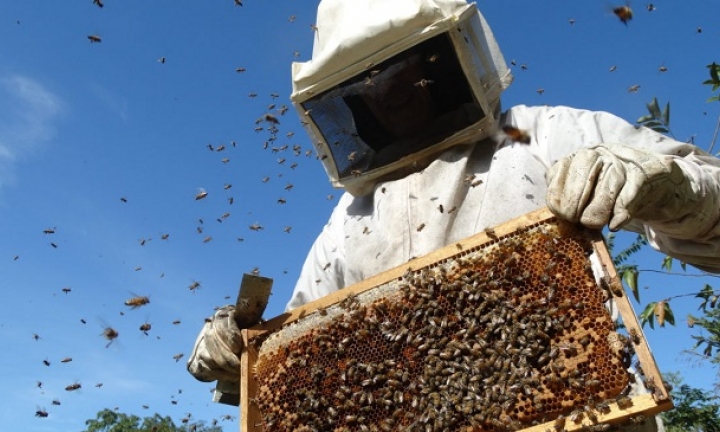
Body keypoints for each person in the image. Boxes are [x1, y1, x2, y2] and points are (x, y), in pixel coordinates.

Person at [188, 0, 720, 430]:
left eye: (400, 69)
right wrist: (237, 358)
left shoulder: (541, 135)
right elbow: (297, 366)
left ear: (441, 63)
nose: (387, 91)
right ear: (349, 104)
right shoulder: (349, 222)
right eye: (366, 84)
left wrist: (677, 190)